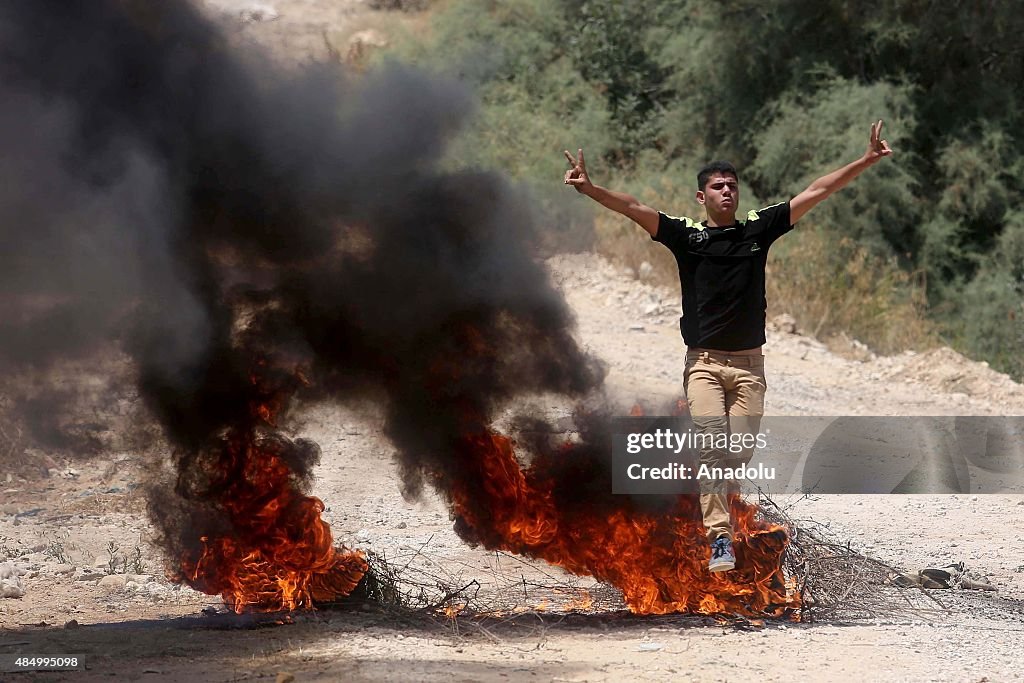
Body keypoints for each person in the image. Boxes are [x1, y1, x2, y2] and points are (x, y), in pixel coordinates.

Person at [564, 121, 893, 571]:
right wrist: (591, 189)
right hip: (702, 365)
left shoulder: (758, 230)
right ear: (702, 197)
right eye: (718, 187)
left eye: (732, 186)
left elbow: (816, 191)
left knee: (736, 452)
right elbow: (635, 206)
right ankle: (719, 540)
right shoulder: (686, 236)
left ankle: (691, 473)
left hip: (748, 368)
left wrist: (866, 160)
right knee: (714, 449)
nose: (727, 192)